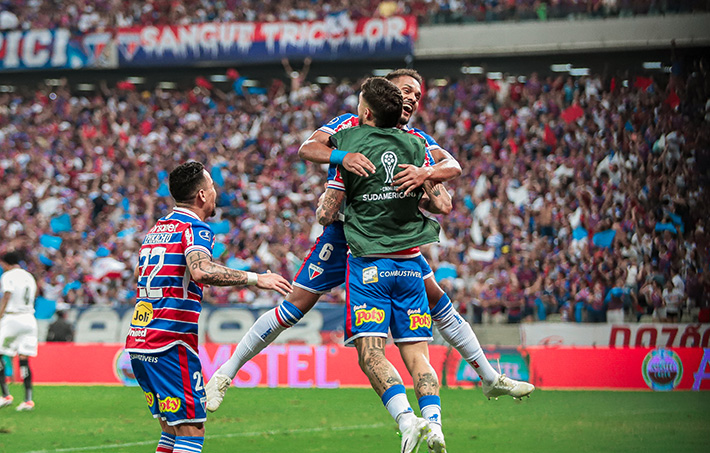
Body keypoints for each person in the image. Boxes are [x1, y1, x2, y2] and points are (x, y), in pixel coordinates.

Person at [205, 69, 533, 411]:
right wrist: (341, 158)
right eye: (406, 90)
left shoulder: (416, 140)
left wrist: (424, 177)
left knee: (438, 302)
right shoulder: (349, 125)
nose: (412, 98)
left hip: (387, 240)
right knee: (294, 305)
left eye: (417, 95)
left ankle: (489, 377)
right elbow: (308, 148)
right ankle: (224, 375)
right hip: (346, 232)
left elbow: (446, 194)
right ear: (387, 93)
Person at [124, 161, 292, 453]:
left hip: (141, 340)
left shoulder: (156, 230)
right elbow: (201, 271)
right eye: (213, 187)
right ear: (202, 194)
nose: (216, 193)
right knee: (191, 429)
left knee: (171, 428)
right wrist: (256, 278)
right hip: (171, 341)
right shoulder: (195, 229)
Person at [317, 77, 452, 453]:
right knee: (419, 358)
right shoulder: (417, 147)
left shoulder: (352, 146)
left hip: (370, 267)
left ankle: (407, 421)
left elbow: (326, 214)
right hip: (412, 265)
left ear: (368, 112)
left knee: (371, 353)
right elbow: (444, 203)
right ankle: (436, 425)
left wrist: (337, 189)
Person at [0, 250, 38, 411]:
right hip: (29, 318)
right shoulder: (29, 276)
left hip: (12, 317)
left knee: (1, 353)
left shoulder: (8, 276)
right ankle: (28, 400)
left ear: (6, 263)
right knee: (24, 359)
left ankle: (5, 395)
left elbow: (7, 295)